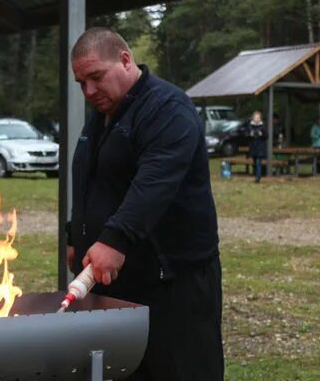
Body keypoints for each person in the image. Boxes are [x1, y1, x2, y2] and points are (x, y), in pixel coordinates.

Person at [67, 28, 223, 380]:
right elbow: (92, 180)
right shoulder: (103, 115)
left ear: (125, 59)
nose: (89, 91)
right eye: (81, 83)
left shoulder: (168, 108)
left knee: (180, 370)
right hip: (121, 282)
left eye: (95, 77)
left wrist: (114, 239)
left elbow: (155, 182)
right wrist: (74, 236)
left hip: (174, 282)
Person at [248, 111, 268, 183]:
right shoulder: (250, 126)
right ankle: (256, 174)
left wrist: (261, 134)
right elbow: (246, 136)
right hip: (253, 148)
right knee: (254, 163)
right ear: (253, 118)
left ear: (260, 118)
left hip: (260, 148)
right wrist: (250, 134)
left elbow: (266, 136)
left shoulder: (263, 126)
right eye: (255, 118)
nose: (256, 119)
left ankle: (258, 177)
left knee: (258, 162)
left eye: (258, 118)